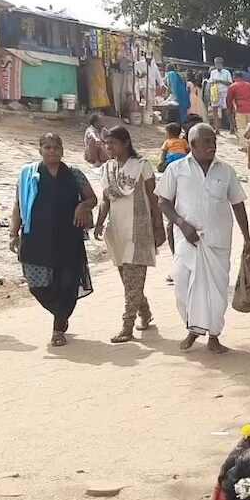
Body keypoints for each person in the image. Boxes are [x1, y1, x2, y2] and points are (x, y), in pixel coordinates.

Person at [156, 123, 250, 354]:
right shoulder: (176, 169)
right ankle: (193, 328)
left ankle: (214, 335)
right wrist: (181, 224)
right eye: (208, 142)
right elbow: (163, 201)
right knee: (182, 286)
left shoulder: (226, 170)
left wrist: (247, 238)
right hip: (187, 240)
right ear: (193, 144)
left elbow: (238, 204)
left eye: (214, 142)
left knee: (217, 293)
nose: (213, 146)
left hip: (218, 241)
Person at [9, 133, 97, 347]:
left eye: (56, 147)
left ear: (62, 150)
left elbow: (92, 198)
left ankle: (58, 327)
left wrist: (82, 206)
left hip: (68, 239)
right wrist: (13, 233)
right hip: (36, 239)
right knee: (37, 285)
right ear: (40, 150)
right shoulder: (28, 175)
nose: (52, 151)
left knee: (67, 285)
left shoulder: (74, 175)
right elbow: (19, 206)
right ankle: (60, 314)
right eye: (47, 147)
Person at [94, 127, 165, 343]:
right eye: (107, 144)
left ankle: (127, 326)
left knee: (133, 278)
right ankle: (145, 311)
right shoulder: (107, 169)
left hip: (139, 229)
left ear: (126, 143)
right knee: (129, 280)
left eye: (113, 143)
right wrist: (99, 222)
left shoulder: (141, 166)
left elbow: (154, 198)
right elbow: (106, 199)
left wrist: (159, 226)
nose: (109, 147)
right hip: (117, 230)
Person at [225, 72, 250, 139]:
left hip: (240, 109)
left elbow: (229, 100)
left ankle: (245, 146)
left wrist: (229, 110)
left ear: (234, 77)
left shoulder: (232, 86)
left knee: (241, 128)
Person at [207, 57, 232, 129]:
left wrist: (220, 81)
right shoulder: (213, 72)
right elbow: (210, 82)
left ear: (222, 64)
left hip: (224, 92)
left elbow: (230, 83)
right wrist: (213, 82)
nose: (217, 64)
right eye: (216, 63)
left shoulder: (226, 72)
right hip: (215, 93)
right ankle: (216, 128)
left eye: (219, 63)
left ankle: (230, 127)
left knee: (226, 110)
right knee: (215, 110)